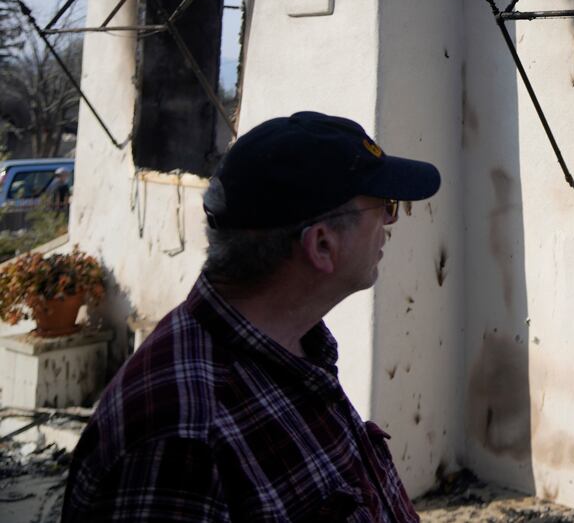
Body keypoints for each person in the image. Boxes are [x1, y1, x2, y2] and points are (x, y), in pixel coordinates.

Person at [63, 111, 441, 521]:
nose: (390, 222)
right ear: (322, 245)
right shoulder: (181, 439)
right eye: (385, 206)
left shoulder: (295, 346)